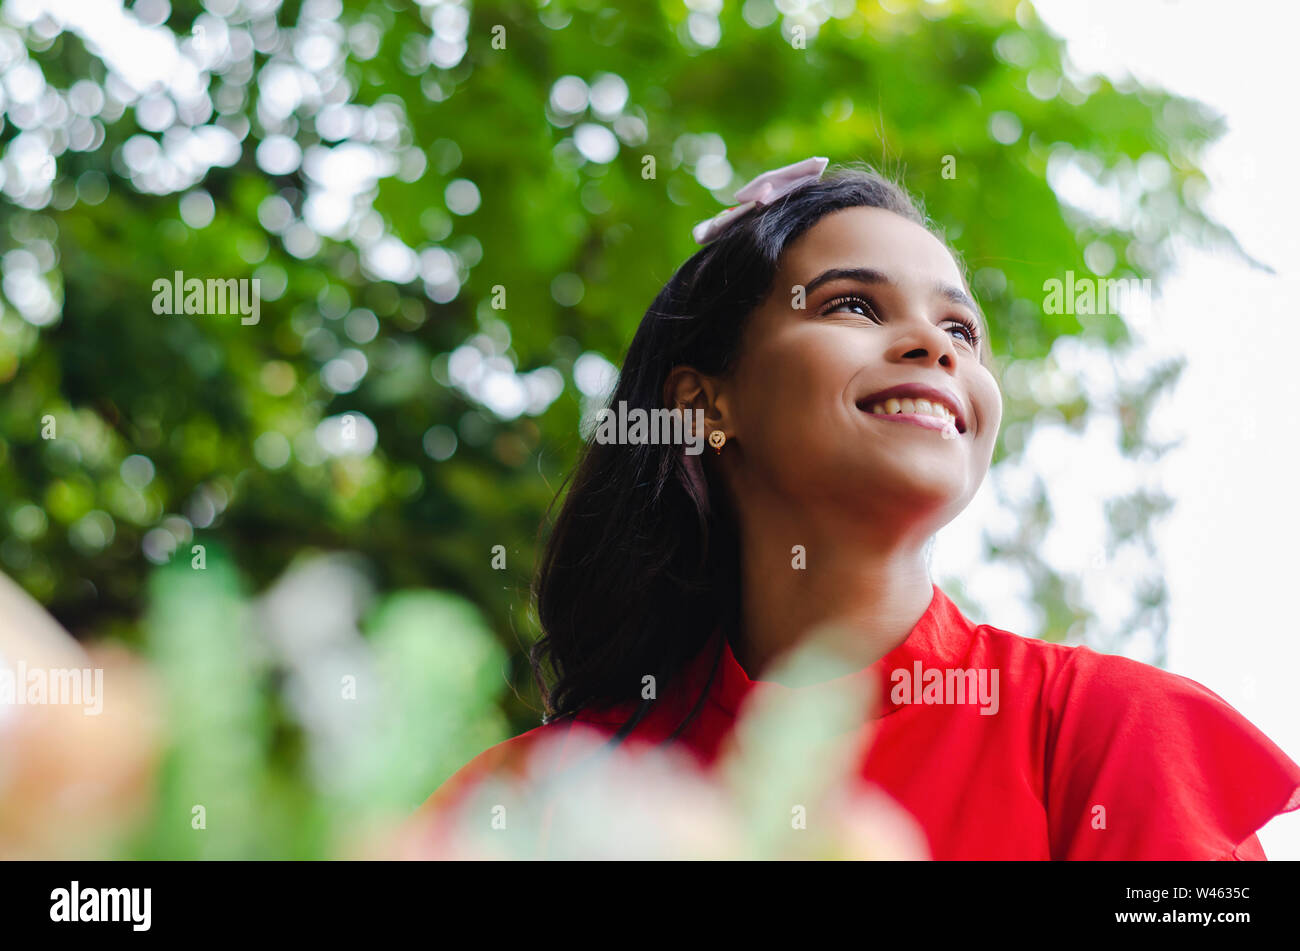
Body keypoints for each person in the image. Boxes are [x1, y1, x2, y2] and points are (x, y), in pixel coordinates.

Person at [409, 157, 1300, 859]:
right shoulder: (532, 802)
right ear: (703, 404)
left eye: (960, 330)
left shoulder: (1110, 733)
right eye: (852, 304)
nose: (933, 346)